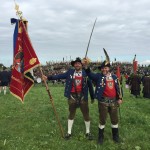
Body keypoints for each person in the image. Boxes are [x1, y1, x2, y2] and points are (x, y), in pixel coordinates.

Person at [43, 57, 94, 140]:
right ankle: (69, 132)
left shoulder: (86, 73)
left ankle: (88, 132)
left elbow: (90, 85)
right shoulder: (70, 72)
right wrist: (48, 78)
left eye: (79, 63)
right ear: (74, 65)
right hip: (72, 97)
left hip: (83, 97)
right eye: (75, 63)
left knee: (86, 114)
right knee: (71, 114)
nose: (77, 64)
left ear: (81, 65)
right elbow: (60, 76)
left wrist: (92, 97)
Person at [83, 49, 123, 144]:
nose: (104, 69)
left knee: (114, 120)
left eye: (106, 68)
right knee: (102, 120)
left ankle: (115, 137)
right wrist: (85, 66)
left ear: (109, 68)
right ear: (101, 69)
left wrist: (120, 98)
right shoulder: (98, 77)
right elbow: (89, 74)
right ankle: (100, 137)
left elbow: (119, 88)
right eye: (103, 68)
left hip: (114, 102)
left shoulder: (114, 77)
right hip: (103, 102)